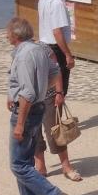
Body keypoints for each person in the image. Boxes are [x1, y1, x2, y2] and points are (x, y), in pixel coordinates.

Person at [4, 17, 71, 195]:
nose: (6, 35)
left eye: (7, 32)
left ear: (15, 35)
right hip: (38, 108)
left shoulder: (24, 55)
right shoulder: (39, 49)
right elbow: (55, 71)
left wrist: (21, 123)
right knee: (25, 160)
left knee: (18, 164)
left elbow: (28, 93)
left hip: (27, 111)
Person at [35, 45, 81, 182]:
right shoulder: (16, 52)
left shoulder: (43, 49)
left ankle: (66, 167)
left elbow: (56, 69)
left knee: (55, 131)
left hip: (48, 95)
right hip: (29, 99)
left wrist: (59, 92)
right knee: (34, 133)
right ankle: (40, 167)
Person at [37, 0, 74, 95]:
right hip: (56, 49)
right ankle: (56, 115)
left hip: (43, 45)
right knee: (60, 88)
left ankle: (49, 114)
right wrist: (68, 55)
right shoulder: (57, 3)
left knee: (47, 85)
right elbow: (57, 32)